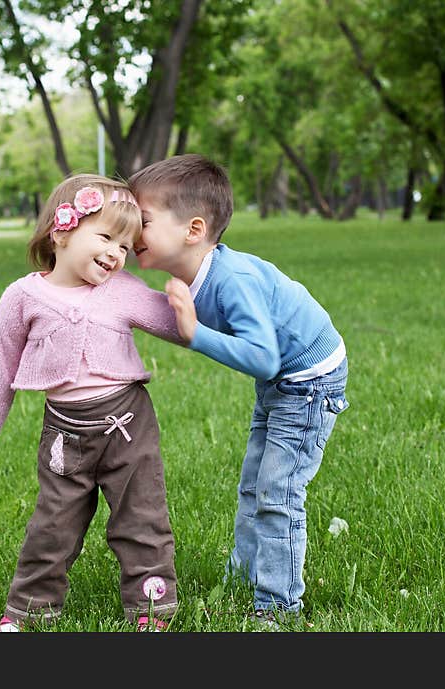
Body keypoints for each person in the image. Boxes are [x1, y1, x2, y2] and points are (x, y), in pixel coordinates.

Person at [0, 174, 183, 632]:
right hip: (65, 434)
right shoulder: (23, 297)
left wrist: (211, 312)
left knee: (141, 518)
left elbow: (177, 325)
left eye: (125, 244)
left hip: (128, 424)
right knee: (52, 527)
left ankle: (151, 610)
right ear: (61, 231)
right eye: (106, 237)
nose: (117, 254)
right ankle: (28, 612)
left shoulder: (122, 289)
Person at [128, 153, 350, 624]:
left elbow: (264, 356)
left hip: (309, 382)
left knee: (278, 493)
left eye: (141, 221)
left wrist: (195, 334)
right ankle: (244, 574)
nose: (131, 233)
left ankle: (277, 605)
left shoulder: (233, 281)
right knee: (253, 484)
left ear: (193, 230)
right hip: (281, 382)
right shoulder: (191, 275)